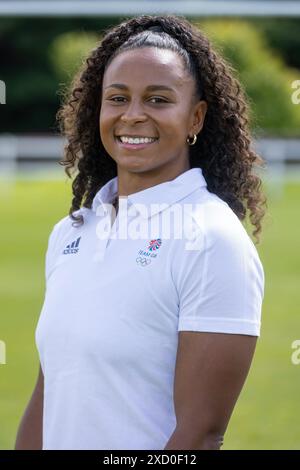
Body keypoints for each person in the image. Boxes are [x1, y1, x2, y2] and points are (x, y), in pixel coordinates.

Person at [15, 14, 266, 450]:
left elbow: (200, 435)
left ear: (196, 117)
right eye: (117, 98)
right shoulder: (70, 232)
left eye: (158, 99)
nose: (133, 115)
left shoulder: (211, 239)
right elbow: (50, 390)